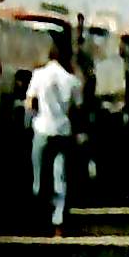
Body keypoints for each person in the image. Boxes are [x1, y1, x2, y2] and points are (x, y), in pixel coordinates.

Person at [22, 41, 84, 233]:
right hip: (63, 131)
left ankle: (38, 219)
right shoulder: (72, 80)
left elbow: (30, 103)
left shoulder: (38, 75)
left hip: (42, 130)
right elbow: (77, 109)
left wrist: (28, 122)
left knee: (39, 178)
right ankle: (59, 222)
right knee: (60, 177)